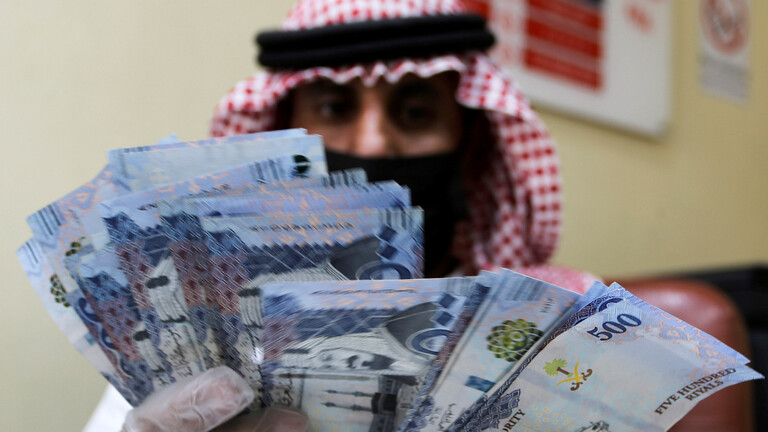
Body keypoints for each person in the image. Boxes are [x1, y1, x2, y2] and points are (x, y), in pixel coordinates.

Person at [87, 0, 752, 430]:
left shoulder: (565, 330)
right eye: (334, 108)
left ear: (471, 145)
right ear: (281, 135)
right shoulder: (192, 341)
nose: (373, 144)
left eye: (414, 112)